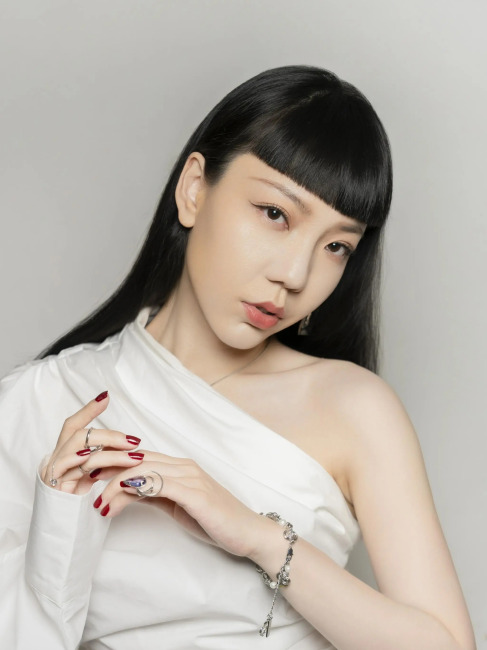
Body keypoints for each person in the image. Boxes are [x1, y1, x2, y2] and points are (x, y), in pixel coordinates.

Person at [0, 65, 476, 650]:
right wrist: (60, 529)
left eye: (336, 246)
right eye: (275, 214)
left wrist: (260, 538)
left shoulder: (353, 408)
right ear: (194, 190)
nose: (295, 274)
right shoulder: (41, 402)